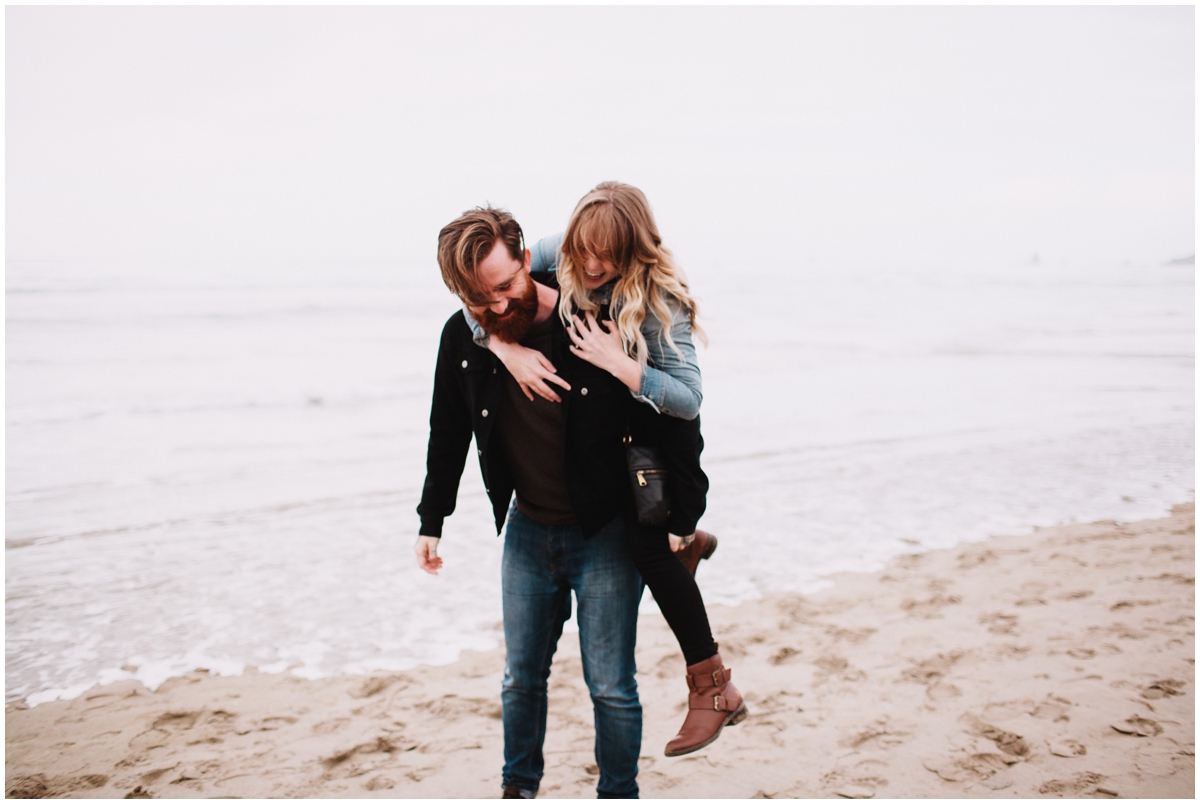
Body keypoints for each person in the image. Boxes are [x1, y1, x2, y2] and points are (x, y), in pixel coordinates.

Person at [467, 182, 746, 758]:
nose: (591, 266)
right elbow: (478, 299)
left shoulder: (659, 300)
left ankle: (714, 689)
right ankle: (687, 547)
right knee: (649, 548)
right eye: (583, 251)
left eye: (607, 256)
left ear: (634, 251)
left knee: (647, 549)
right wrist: (502, 346)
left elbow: (690, 401)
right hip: (611, 443)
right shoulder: (559, 250)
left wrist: (621, 364)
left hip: (656, 445)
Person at [414, 206, 654, 799]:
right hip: (526, 532)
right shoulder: (466, 337)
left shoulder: (589, 321)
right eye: (477, 299)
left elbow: (655, 425)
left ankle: (619, 794)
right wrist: (431, 520)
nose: (496, 308)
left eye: (505, 287)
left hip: (604, 534)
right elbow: (448, 430)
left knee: (611, 687)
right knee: (521, 680)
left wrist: (676, 519)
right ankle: (519, 789)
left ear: (529, 260)